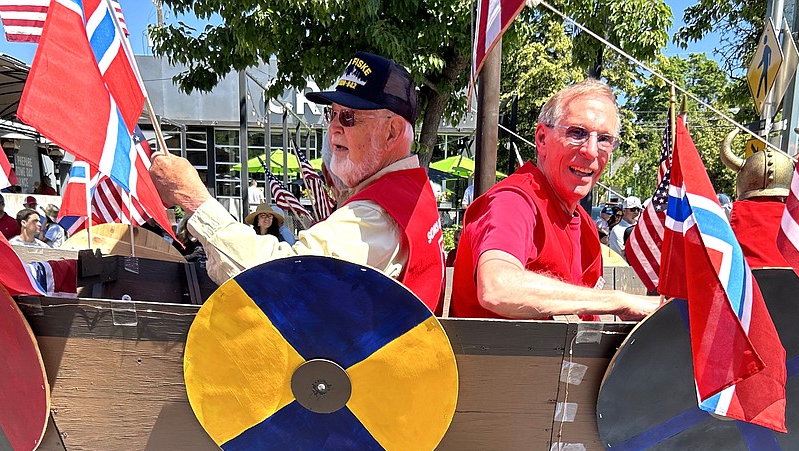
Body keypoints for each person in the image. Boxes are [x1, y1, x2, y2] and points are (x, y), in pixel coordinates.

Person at [149, 51, 444, 311]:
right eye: (332, 114)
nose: (334, 129)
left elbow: (279, 279)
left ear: (392, 133)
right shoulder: (410, 191)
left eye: (349, 117)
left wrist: (196, 201)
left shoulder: (378, 213)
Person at [450, 80, 659, 320]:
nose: (591, 151)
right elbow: (497, 288)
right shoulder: (512, 201)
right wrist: (619, 301)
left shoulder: (585, 225)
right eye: (577, 133)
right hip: (500, 356)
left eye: (604, 139)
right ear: (541, 139)